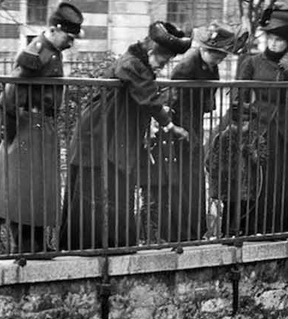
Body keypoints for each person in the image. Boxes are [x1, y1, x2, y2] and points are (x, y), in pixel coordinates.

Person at [60, 21, 191, 250]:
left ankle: (115, 244)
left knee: (116, 190)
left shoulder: (140, 65)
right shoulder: (131, 64)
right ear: (151, 52)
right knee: (91, 190)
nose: (164, 66)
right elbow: (147, 97)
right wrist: (170, 125)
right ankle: (86, 246)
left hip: (113, 137)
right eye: (163, 60)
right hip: (97, 135)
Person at [0, 2, 82, 254]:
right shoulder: (36, 54)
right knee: (22, 191)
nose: (71, 43)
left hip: (41, 127)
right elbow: (8, 95)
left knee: (38, 190)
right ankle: (25, 246)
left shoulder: (51, 51)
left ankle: (37, 243)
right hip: (28, 127)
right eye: (68, 37)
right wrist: (12, 134)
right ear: (54, 29)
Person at [146, 22, 240, 242]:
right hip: (179, 128)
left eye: (221, 56)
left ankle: (193, 231)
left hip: (194, 123)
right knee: (180, 180)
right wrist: (184, 132)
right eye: (215, 54)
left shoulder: (210, 66)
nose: (218, 59)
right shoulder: (188, 64)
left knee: (193, 179)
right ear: (205, 49)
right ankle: (177, 233)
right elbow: (174, 98)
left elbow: (208, 100)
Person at [228, 10, 288, 235]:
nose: (274, 43)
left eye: (279, 40)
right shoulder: (253, 61)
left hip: (283, 129)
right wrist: (243, 120)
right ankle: (254, 228)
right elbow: (238, 94)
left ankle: (282, 229)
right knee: (257, 180)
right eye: (271, 38)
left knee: (282, 181)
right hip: (258, 126)